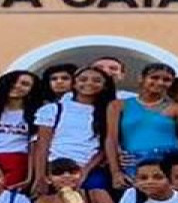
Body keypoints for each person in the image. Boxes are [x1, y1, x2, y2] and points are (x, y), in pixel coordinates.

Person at [30, 65, 116, 194]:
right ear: (74, 84)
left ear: (105, 86)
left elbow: (105, 146)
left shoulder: (108, 112)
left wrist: (85, 171)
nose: (89, 83)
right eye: (83, 79)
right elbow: (42, 145)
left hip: (90, 168)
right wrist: (40, 176)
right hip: (56, 167)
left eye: (96, 80)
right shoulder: (54, 109)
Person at [106, 62, 178, 188]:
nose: (160, 82)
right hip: (134, 160)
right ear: (141, 78)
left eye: (166, 80)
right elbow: (111, 138)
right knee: (136, 202)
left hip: (169, 159)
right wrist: (115, 172)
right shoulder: (118, 105)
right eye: (154, 77)